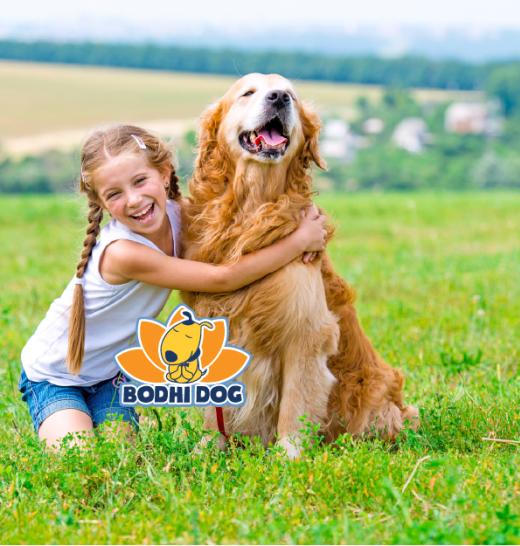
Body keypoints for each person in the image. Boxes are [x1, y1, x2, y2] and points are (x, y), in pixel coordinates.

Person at [18, 124, 328, 450]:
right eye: (115, 194)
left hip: (107, 378)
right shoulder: (123, 252)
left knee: (122, 457)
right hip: (54, 377)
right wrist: (296, 243)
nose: (134, 200)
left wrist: (298, 218)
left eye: (140, 181)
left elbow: (239, 227)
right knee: (80, 460)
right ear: (101, 202)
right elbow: (222, 277)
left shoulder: (181, 215)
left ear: (165, 173)